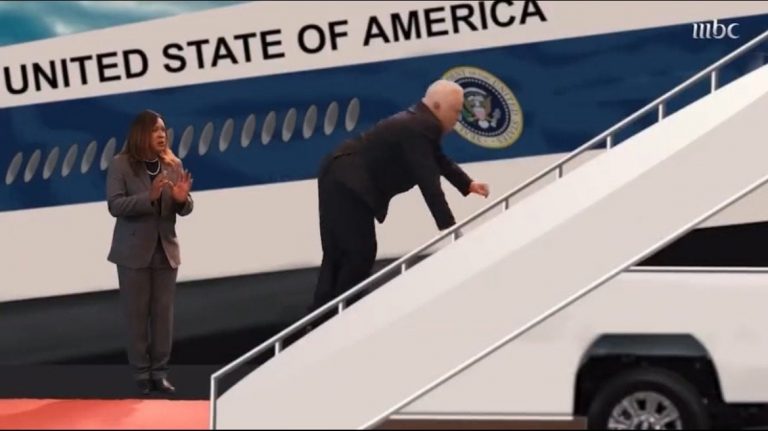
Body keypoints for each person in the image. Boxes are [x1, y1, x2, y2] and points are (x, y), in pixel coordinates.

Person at [310, 79, 490, 314]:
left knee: (340, 253)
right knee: (358, 254)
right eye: (455, 111)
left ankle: (322, 316)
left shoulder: (419, 124)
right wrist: (449, 227)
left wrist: (467, 184)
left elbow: (438, 160)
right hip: (347, 181)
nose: (458, 118)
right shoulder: (418, 128)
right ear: (437, 107)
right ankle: (336, 315)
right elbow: (428, 181)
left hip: (338, 175)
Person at [106, 109, 194, 395]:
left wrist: (182, 200)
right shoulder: (121, 165)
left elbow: (184, 206)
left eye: (163, 130)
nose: (161, 135)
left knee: (163, 316)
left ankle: (160, 373)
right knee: (136, 315)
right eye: (156, 130)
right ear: (141, 133)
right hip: (133, 252)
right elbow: (115, 205)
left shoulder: (173, 164)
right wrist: (149, 197)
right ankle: (141, 373)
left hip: (165, 250)